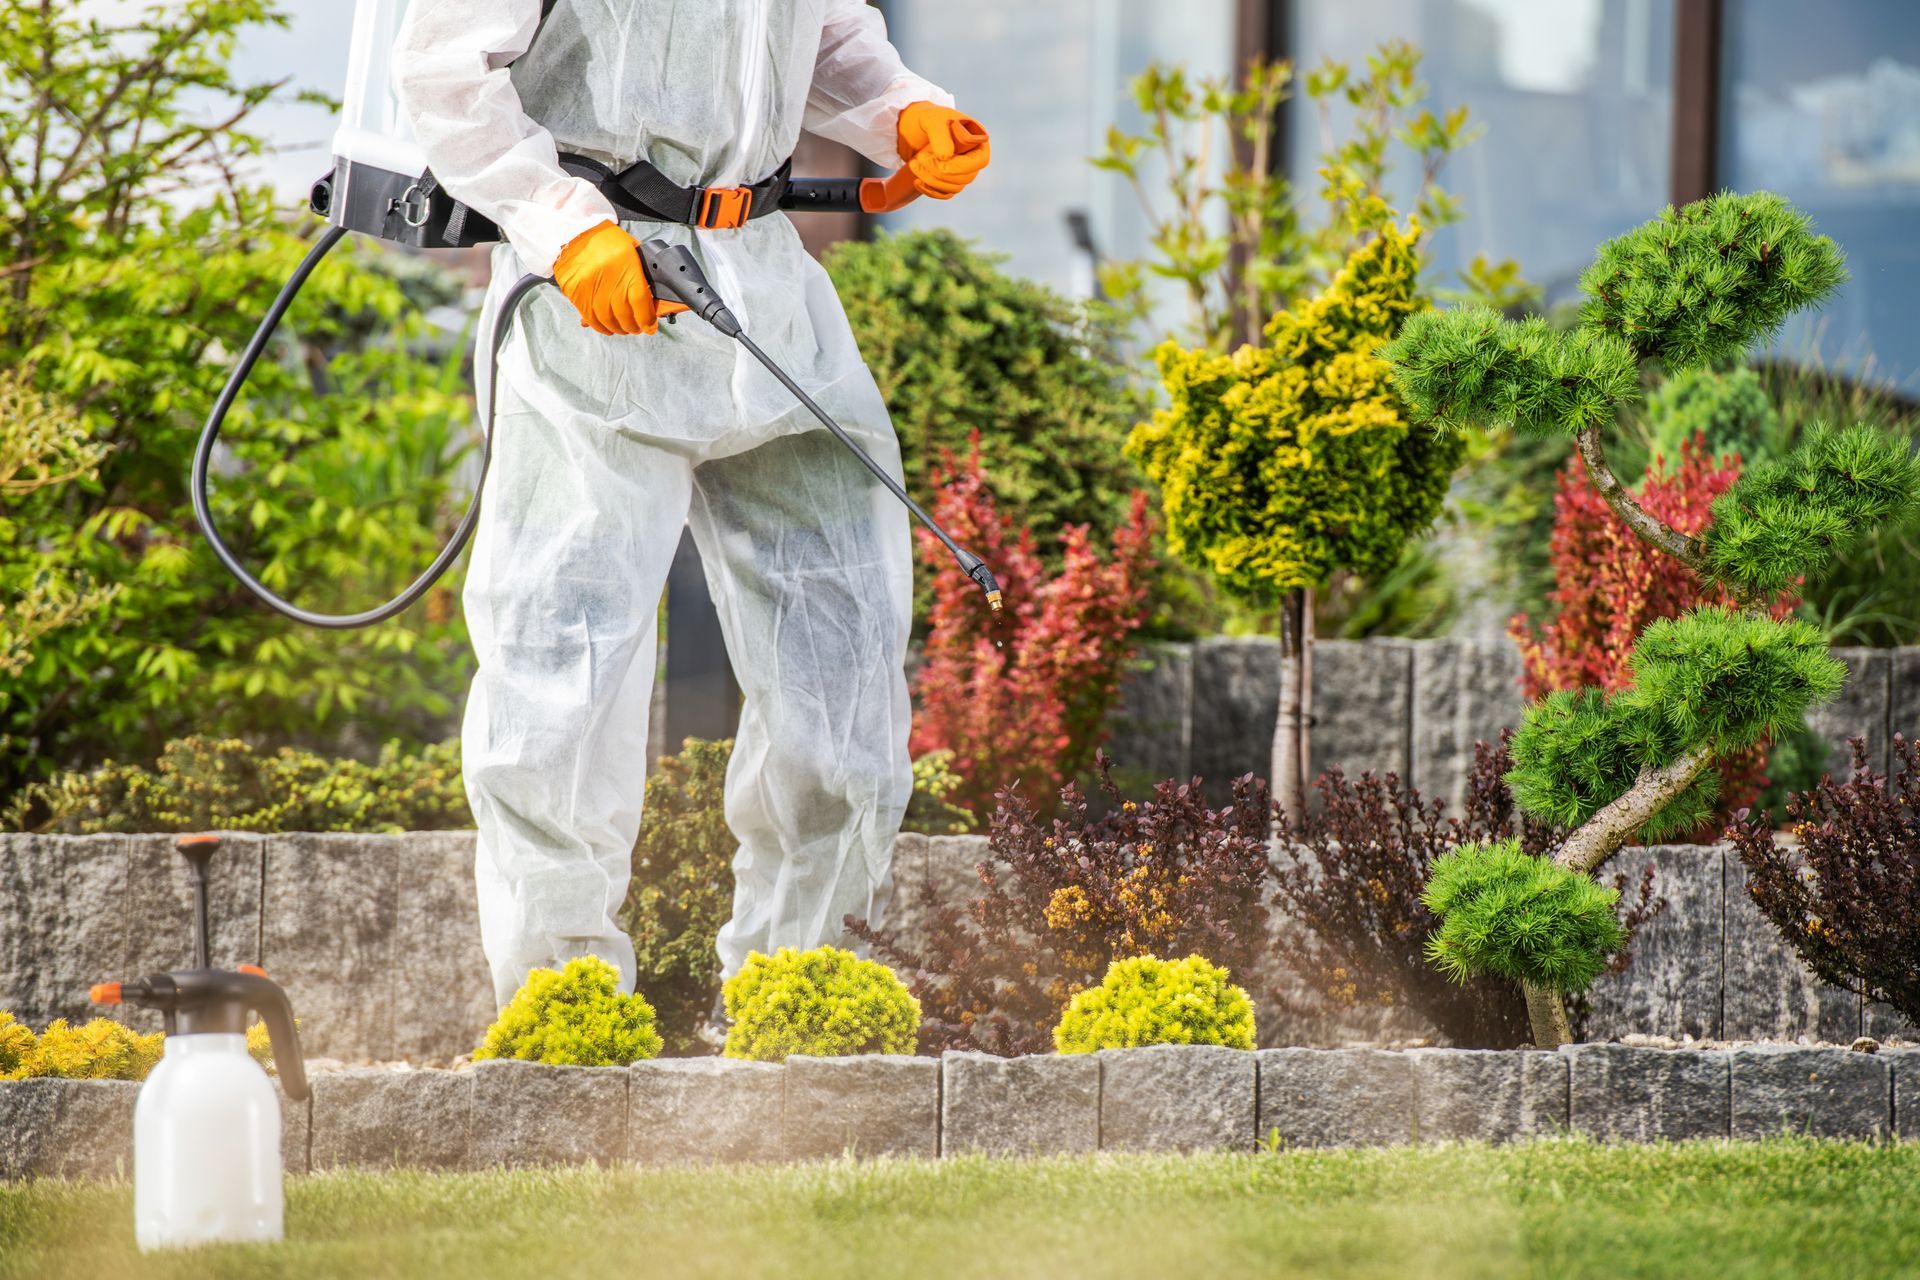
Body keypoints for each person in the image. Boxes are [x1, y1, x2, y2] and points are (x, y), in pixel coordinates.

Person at [391, 0, 988, 1011]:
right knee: (563, 670)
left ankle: (801, 991)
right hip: (599, 287)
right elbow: (444, 71)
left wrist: (901, 109)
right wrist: (560, 224)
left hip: (766, 283)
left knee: (844, 656)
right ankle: (563, 1006)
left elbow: (823, 35)